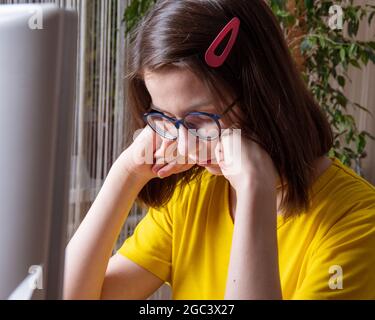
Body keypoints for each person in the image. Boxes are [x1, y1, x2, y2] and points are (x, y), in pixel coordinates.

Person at [64, 0, 375, 300]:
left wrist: (255, 189)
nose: (184, 146)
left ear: (260, 97)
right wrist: (127, 170)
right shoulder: (193, 193)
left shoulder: (359, 221)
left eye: (200, 119)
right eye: (166, 118)